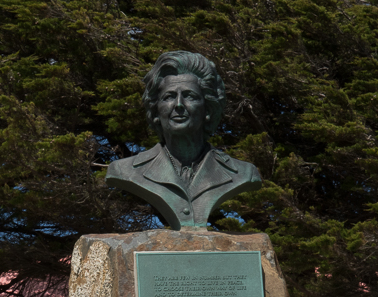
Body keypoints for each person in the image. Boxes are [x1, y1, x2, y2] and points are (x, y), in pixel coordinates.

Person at [105, 51, 261, 229]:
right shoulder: (124, 170)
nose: (179, 104)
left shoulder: (243, 173)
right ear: (156, 111)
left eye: (190, 96)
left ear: (208, 109)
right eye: (169, 97)